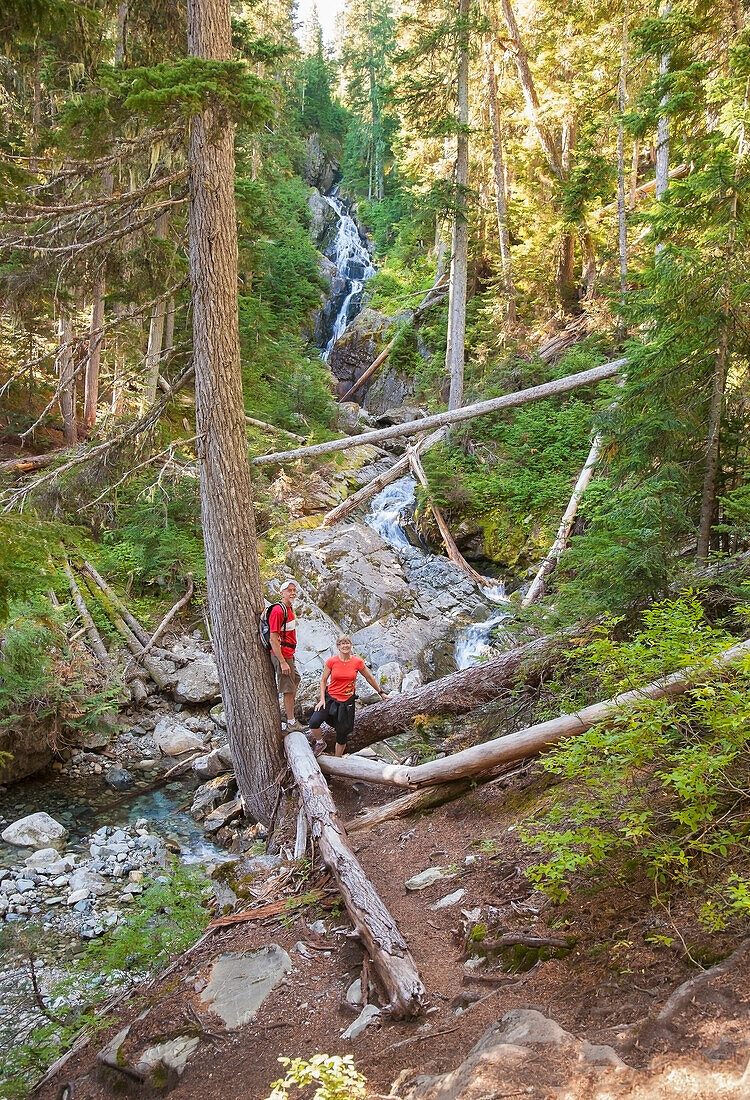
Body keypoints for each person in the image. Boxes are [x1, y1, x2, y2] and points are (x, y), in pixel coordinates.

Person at [308, 635, 388, 756]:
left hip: (346, 703)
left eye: (347, 643)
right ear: (338, 646)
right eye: (342, 643)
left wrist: (381, 693)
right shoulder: (331, 661)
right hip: (330, 699)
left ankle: (337, 760)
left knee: (342, 734)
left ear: (351, 645)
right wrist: (322, 699)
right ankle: (320, 743)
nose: (345, 645)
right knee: (314, 722)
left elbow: (369, 677)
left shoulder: (357, 662)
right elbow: (323, 680)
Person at [269, 578, 305, 732]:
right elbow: (273, 638)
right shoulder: (278, 611)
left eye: (294, 590)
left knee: (296, 679)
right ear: (282, 593)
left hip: (289, 653)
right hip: (282, 655)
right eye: (289, 590)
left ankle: (288, 711)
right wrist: (282, 662)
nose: (292, 593)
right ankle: (291, 722)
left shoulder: (288, 609)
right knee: (288, 689)